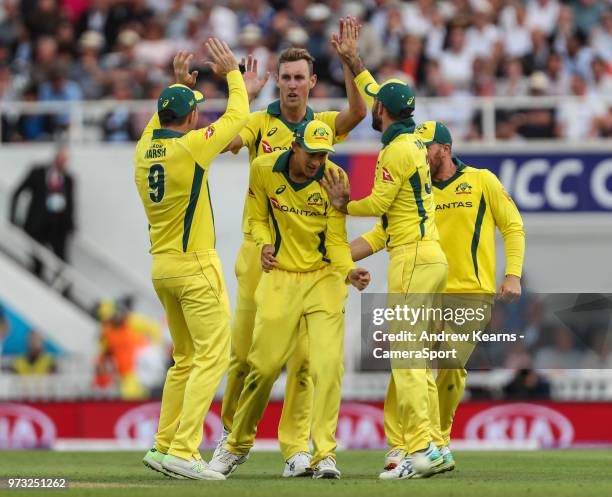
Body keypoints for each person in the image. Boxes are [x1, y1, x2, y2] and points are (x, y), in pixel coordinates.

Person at [215, 19, 366, 477]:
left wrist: (349, 61)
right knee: (246, 358)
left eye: (300, 78)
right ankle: (232, 435)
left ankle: (297, 448)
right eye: (286, 78)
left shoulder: (321, 129)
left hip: (309, 263)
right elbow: (226, 142)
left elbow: (357, 114)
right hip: (258, 256)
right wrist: (242, 96)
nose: (293, 85)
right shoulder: (261, 122)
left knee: (305, 363)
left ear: (312, 83)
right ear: (278, 82)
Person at [355, 121, 525, 472]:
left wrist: (513, 274)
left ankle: (436, 440)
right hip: (425, 286)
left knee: (449, 366)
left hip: (470, 292)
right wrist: (335, 256)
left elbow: (512, 225)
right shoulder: (416, 188)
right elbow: (378, 236)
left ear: (444, 149)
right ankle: (402, 446)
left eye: (426, 146)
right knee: (408, 364)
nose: (420, 151)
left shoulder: (482, 180)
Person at [322, 18, 448, 480]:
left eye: (376, 106)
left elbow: (375, 204)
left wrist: (343, 202)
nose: (372, 109)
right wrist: (354, 62)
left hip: (413, 259)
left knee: (408, 360)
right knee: (416, 359)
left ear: (384, 113)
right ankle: (433, 445)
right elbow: (382, 228)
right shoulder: (412, 134)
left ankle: (422, 450)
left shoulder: (394, 151)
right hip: (426, 254)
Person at [134, 40, 255, 481]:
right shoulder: (190, 148)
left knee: (185, 358)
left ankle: (164, 445)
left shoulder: (144, 147)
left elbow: (158, 122)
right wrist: (233, 75)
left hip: (162, 267)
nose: (199, 116)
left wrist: (176, 87)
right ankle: (184, 450)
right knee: (212, 355)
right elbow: (237, 118)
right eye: (195, 110)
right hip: (194, 265)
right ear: (187, 119)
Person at [10, 145, 75, 278]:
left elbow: (71, 204)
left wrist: (71, 225)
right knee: (37, 259)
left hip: (58, 227)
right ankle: (37, 281)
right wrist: (13, 217)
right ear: (56, 159)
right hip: (38, 225)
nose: (64, 164)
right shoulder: (38, 173)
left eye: (66, 161)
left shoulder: (68, 179)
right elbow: (17, 192)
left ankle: (63, 290)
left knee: (62, 261)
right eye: (62, 160)